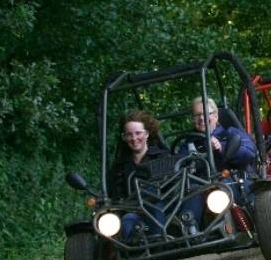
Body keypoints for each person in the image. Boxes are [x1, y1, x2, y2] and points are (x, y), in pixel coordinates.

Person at [108, 110, 202, 240]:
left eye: (138, 133)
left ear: (146, 134)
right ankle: (153, 241)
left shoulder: (163, 157)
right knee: (127, 222)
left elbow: (176, 185)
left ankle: (190, 231)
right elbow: (116, 198)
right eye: (129, 135)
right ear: (124, 137)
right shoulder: (119, 168)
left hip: (168, 207)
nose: (134, 138)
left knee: (194, 189)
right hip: (137, 212)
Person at [179, 97, 257, 205]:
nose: (201, 118)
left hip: (234, 180)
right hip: (201, 187)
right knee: (191, 194)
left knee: (223, 188)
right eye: (197, 115)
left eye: (206, 113)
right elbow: (179, 168)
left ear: (216, 116)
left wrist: (221, 148)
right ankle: (187, 221)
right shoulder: (188, 144)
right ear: (192, 119)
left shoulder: (231, 133)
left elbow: (249, 153)